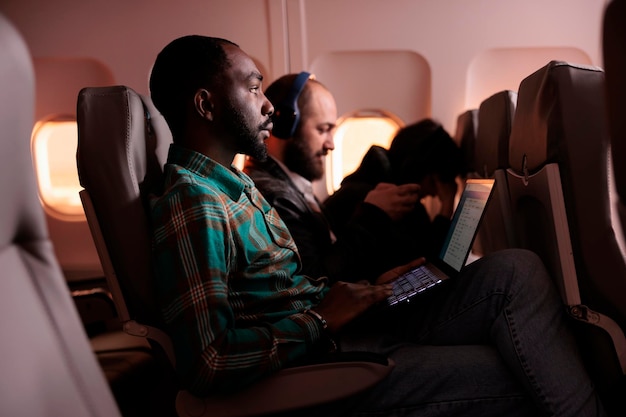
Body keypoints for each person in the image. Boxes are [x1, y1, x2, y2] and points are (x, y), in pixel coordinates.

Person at [148, 34, 606, 416]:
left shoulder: (235, 186)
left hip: (339, 328)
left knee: (516, 271)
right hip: (318, 365)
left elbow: (279, 290)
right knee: (519, 366)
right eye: (252, 89)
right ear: (206, 104)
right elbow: (208, 362)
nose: (268, 106)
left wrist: (364, 290)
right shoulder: (196, 202)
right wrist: (323, 318)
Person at [244, 72, 420, 282]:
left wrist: (375, 284)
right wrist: (373, 214)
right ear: (283, 125)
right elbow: (317, 280)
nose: (331, 144)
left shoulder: (293, 186)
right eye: (323, 129)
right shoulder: (273, 197)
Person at [324, 118, 465, 262]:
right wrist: (446, 207)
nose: (435, 193)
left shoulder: (372, 183)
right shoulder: (370, 198)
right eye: (434, 182)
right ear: (419, 168)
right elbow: (424, 261)